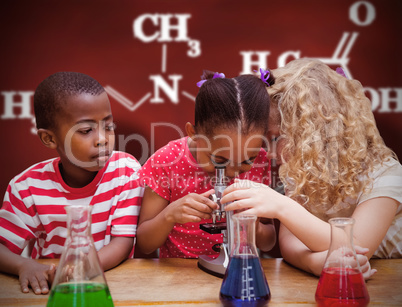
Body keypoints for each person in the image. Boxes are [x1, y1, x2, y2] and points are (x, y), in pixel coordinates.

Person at [221, 58, 402, 279]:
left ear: (315, 134)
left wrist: (282, 206)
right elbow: (290, 243)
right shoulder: (302, 171)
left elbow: (356, 245)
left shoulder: (385, 173)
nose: (268, 153)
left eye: (277, 138)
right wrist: (315, 262)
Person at [0, 72, 143, 294]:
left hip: (112, 287)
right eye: (86, 130)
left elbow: (122, 243)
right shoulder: (26, 187)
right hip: (53, 289)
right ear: (49, 138)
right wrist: (24, 264)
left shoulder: (126, 171)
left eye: (109, 126)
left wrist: (79, 268)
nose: (103, 138)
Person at [137, 70, 276, 258]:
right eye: (219, 160)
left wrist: (253, 225)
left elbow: (268, 243)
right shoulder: (166, 161)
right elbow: (144, 244)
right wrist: (169, 215)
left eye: (246, 162)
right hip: (179, 276)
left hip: (237, 270)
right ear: (193, 132)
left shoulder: (261, 160)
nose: (233, 172)